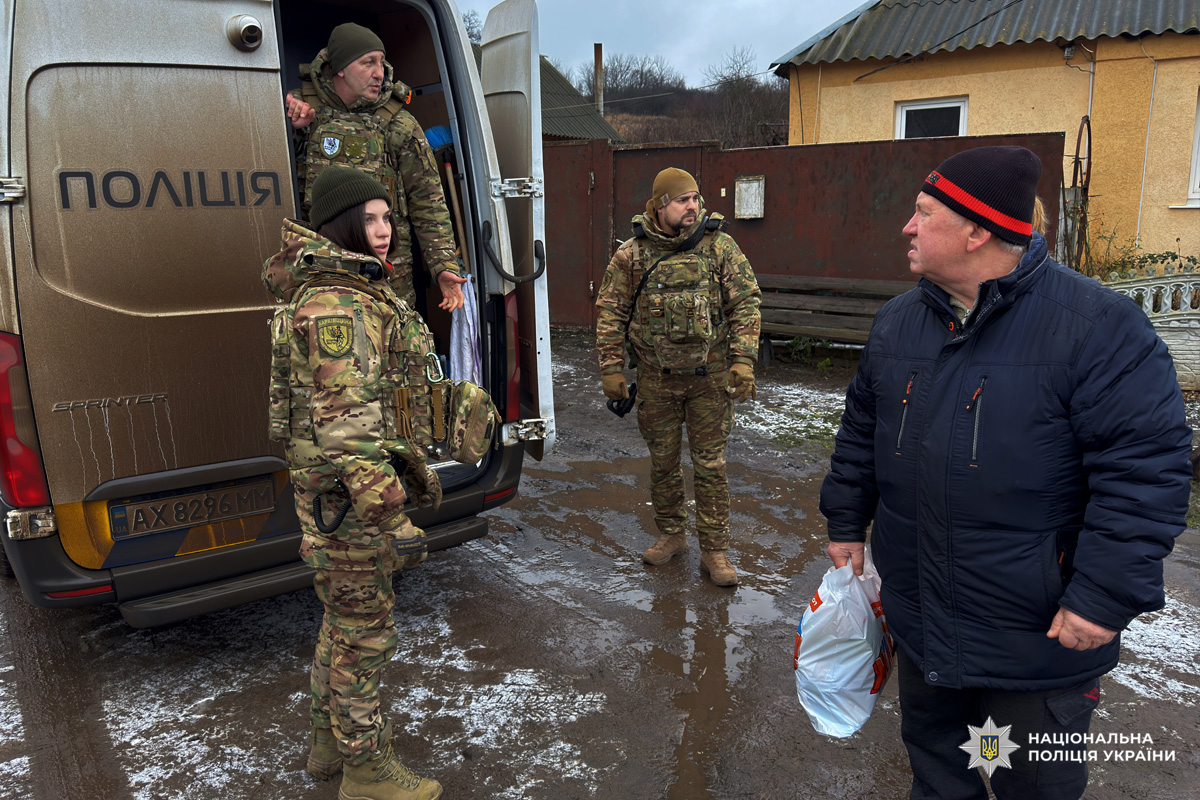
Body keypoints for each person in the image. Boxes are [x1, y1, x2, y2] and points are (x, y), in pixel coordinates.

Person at [818, 146, 1192, 799]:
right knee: (940, 776)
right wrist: (847, 522)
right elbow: (860, 434)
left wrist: (1101, 597)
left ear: (977, 230)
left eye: (922, 213)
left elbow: (1145, 474)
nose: (906, 227)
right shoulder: (899, 323)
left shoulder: (1098, 329)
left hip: (1036, 642)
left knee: (1032, 786)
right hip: (924, 622)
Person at [263, 166, 445, 800]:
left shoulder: (345, 291)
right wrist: (393, 511)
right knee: (366, 631)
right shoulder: (337, 305)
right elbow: (346, 426)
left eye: (389, 218)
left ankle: (326, 743)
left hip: (334, 494)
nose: (385, 231)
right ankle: (366, 769)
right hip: (349, 497)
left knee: (341, 621)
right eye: (369, 219)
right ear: (340, 226)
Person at [595, 168, 762, 587]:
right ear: (659, 205)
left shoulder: (720, 247)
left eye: (695, 198)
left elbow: (745, 303)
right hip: (656, 379)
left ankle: (715, 551)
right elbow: (610, 311)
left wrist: (744, 359)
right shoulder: (631, 256)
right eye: (682, 200)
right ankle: (672, 534)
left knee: (711, 467)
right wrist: (611, 368)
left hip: (710, 379)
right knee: (663, 464)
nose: (692, 207)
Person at [285, 22, 467, 314]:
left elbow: (428, 203)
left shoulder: (399, 124)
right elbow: (272, 182)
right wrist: (293, 130)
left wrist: (443, 266)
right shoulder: (299, 109)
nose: (379, 73)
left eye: (381, 62)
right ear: (339, 68)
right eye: (367, 63)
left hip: (390, 275)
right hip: (321, 272)